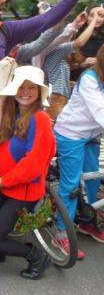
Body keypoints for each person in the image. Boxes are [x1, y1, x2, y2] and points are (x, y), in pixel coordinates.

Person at [0, 66, 56, 279]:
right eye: (20, 87)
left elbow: (34, 164)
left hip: (22, 190)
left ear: (39, 92)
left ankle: (36, 256)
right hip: (1, 182)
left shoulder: (40, 120)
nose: (25, 92)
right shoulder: (10, 112)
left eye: (31, 88)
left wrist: (3, 180)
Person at [54, 44, 104, 252]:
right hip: (71, 134)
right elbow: (100, 111)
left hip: (91, 135)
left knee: (93, 179)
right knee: (71, 185)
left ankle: (87, 221)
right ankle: (61, 233)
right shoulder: (89, 79)